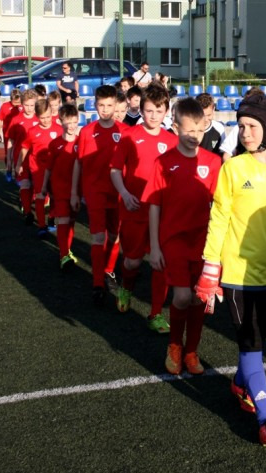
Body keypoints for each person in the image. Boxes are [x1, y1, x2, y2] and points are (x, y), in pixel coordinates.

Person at [194, 92, 266, 446]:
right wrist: (211, 266)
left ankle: (241, 383)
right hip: (238, 274)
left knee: (256, 338)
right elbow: (219, 218)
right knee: (252, 343)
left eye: (252, 126)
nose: (245, 133)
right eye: (241, 126)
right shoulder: (232, 168)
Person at [145, 97, 220, 377]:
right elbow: (154, 205)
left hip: (203, 242)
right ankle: (175, 346)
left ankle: (192, 351)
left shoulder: (213, 162)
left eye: (200, 130)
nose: (195, 136)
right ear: (175, 128)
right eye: (189, 130)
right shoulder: (163, 162)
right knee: (182, 296)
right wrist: (155, 247)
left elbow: (220, 207)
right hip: (173, 240)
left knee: (198, 299)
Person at [110, 84, 178, 332]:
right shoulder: (129, 136)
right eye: (149, 110)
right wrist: (125, 194)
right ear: (141, 110)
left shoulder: (172, 141)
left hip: (162, 214)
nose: (153, 116)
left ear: (166, 111)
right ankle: (126, 287)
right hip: (135, 209)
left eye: (158, 111)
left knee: (161, 263)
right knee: (132, 262)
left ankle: (156, 313)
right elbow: (115, 170)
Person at [72, 85, 129, 307]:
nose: (105, 109)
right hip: (94, 191)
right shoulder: (86, 132)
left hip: (118, 192)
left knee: (115, 236)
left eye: (109, 105)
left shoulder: (125, 132)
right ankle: (97, 283)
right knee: (98, 237)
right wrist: (75, 192)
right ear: (95, 105)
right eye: (101, 105)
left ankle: (108, 270)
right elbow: (79, 163)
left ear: (116, 106)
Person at [41, 103, 81, 270]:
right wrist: (44, 187)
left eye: (74, 122)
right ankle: (63, 255)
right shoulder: (55, 144)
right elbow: (48, 168)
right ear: (60, 121)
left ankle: (67, 250)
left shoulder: (82, 142)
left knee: (71, 220)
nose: (71, 126)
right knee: (63, 219)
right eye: (68, 122)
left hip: (77, 189)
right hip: (60, 188)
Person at [18, 98, 64, 237]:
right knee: (40, 195)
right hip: (38, 169)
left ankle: (51, 218)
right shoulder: (32, 131)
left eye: (48, 117)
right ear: (37, 116)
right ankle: (42, 226)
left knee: (55, 195)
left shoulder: (59, 129)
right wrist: (19, 164)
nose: (46, 120)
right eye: (42, 118)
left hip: (55, 169)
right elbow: (24, 148)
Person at [6, 89, 40, 225]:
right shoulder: (16, 120)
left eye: (32, 105)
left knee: (36, 185)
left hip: (37, 158)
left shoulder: (40, 118)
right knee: (25, 183)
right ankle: (27, 212)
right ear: (22, 104)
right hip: (20, 158)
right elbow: (11, 140)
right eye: (27, 105)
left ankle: (36, 207)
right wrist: (9, 158)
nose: (29, 108)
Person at [0, 88, 23, 181]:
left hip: (19, 134)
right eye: (15, 102)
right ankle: (8, 170)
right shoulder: (5, 106)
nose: (17, 104)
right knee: (9, 154)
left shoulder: (23, 107)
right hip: (8, 134)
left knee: (18, 154)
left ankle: (18, 174)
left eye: (19, 102)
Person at [195, 92, 226, 157]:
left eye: (209, 115)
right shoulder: (190, 128)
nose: (206, 119)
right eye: (202, 115)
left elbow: (223, 153)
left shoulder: (219, 128)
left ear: (213, 109)